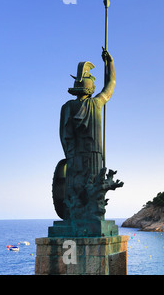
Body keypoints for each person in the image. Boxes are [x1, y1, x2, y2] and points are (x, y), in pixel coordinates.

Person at [59, 48, 116, 219]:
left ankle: (73, 215)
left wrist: (68, 154)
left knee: (75, 187)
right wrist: (110, 64)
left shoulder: (67, 107)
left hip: (74, 154)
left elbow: (63, 135)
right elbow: (110, 85)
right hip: (93, 153)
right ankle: (92, 217)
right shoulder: (96, 103)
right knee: (92, 188)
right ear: (91, 89)